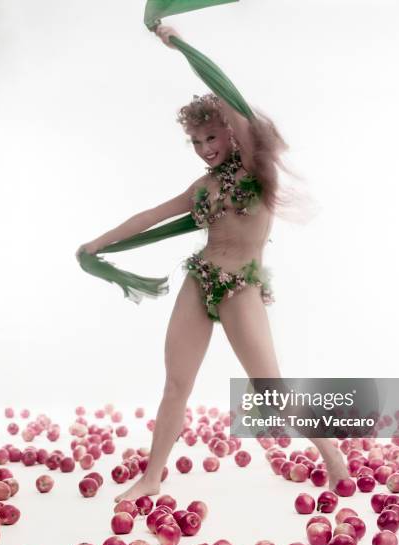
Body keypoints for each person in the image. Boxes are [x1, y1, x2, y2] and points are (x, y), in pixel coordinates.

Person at [76, 25, 348, 502]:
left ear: (229, 131)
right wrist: (95, 244)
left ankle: (329, 451)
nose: (205, 148)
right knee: (176, 383)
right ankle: (153, 474)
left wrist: (178, 45)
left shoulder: (255, 172)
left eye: (211, 137)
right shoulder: (202, 188)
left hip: (240, 286)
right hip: (200, 282)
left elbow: (233, 102)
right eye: (196, 141)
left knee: (270, 391)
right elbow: (149, 216)